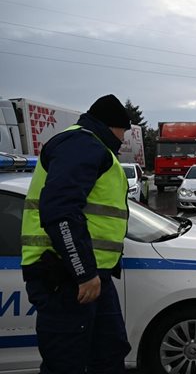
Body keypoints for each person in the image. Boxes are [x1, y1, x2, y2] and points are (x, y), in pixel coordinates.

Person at [21, 94, 132, 374]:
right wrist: (83, 272)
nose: (123, 139)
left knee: (109, 353)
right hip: (67, 277)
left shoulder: (90, 146)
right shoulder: (82, 144)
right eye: (123, 131)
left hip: (90, 276)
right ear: (112, 126)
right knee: (67, 364)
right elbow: (60, 211)